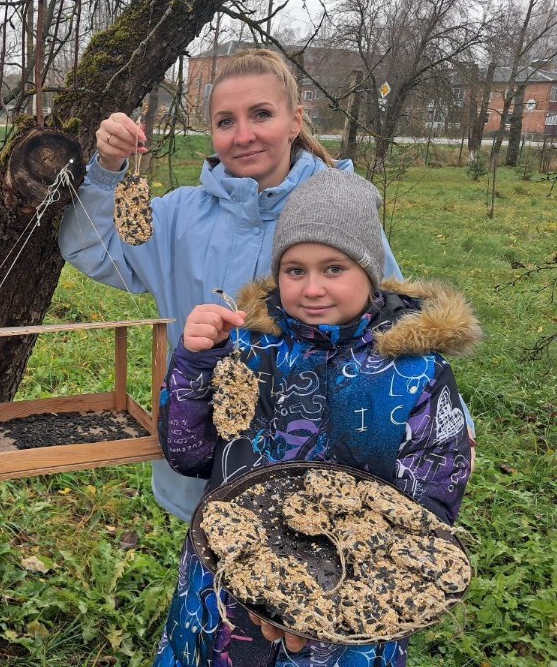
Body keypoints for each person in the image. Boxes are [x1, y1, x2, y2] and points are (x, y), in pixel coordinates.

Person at [57, 48, 404, 523]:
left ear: (295, 121)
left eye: (261, 114)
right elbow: (92, 247)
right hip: (205, 456)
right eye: (225, 121)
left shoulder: (336, 208)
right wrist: (106, 170)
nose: (243, 135)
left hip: (317, 466)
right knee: (211, 585)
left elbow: (396, 324)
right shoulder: (179, 216)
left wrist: (446, 420)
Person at [154, 169, 480, 666]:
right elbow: (189, 452)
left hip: (348, 609)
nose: (311, 288)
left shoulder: (413, 372)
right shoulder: (248, 350)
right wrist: (197, 362)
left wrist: (327, 602)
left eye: (333, 268)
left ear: (369, 274)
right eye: (295, 269)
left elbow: (431, 501)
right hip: (227, 591)